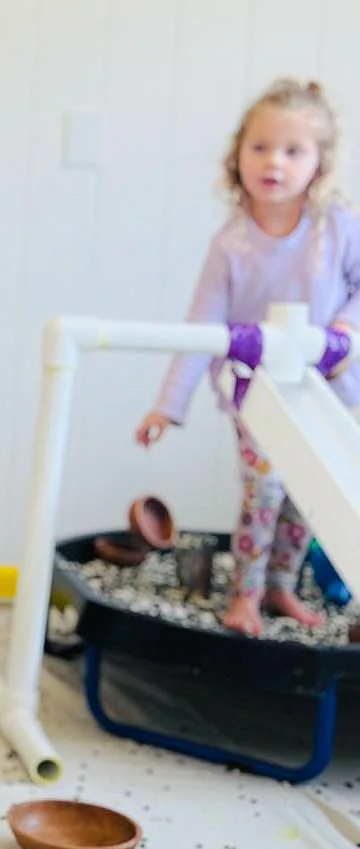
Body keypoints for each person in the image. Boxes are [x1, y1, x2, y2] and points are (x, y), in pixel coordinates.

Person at [137, 79, 360, 636]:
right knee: (264, 489)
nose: (274, 162)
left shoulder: (336, 230)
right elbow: (202, 328)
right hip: (255, 393)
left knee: (304, 494)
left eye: (293, 151)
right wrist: (169, 406)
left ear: (320, 163)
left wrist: (344, 328)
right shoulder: (231, 244)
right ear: (237, 154)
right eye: (260, 147)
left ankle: (282, 588)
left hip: (324, 390)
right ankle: (246, 595)